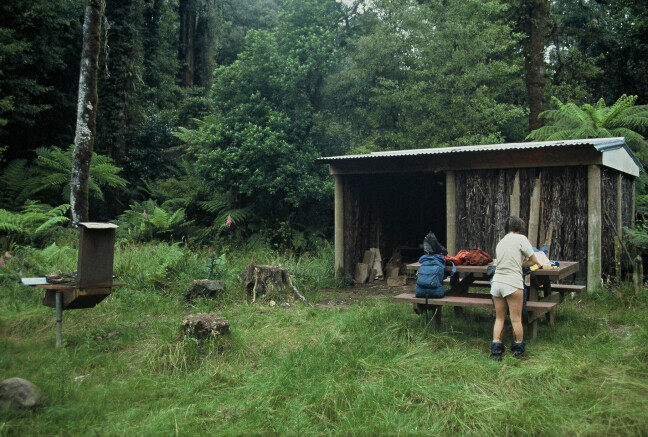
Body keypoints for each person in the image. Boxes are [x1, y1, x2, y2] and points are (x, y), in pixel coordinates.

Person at [490, 216, 541, 360]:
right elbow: (534, 261)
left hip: (497, 282)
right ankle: (518, 351)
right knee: (516, 320)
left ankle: (496, 352)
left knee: (499, 318)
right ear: (520, 227)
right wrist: (521, 264)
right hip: (512, 283)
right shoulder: (521, 239)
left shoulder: (501, 242)